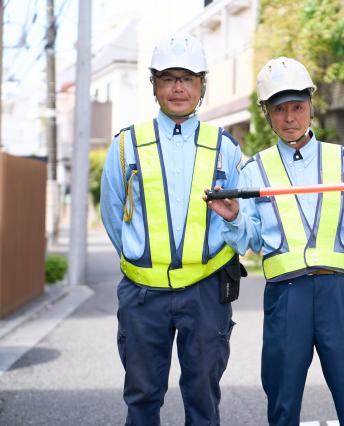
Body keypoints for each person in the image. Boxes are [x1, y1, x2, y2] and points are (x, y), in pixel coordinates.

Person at [207, 57, 344, 426]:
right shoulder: (254, 171)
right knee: (283, 406)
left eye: (297, 107)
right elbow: (248, 242)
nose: (290, 118)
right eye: (279, 109)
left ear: (311, 106)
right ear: (266, 113)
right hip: (286, 298)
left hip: (340, 297)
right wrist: (235, 218)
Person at [100, 33, 244, 425]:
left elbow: (242, 219)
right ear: (154, 85)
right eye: (168, 78)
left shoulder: (225, 147)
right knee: (143, 399)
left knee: (202, 398)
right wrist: (140, 257)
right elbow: (113, 214)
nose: (178, 87)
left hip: (205, 292)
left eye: (188, 78)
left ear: (202, 85)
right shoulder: (127, 145)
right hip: (143, 295)